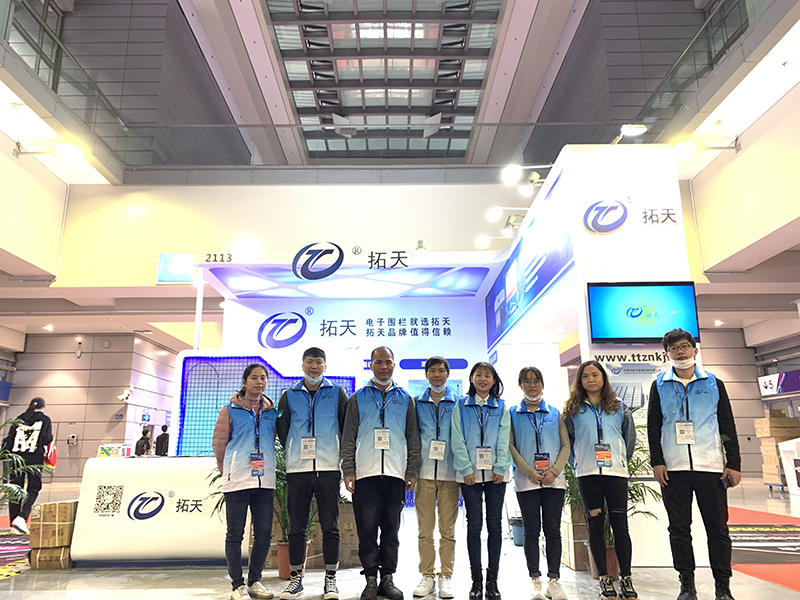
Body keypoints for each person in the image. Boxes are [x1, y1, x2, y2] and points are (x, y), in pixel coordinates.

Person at [647, 329, 740, 600]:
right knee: (679, 530)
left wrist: (733, 463)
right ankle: (687, 585)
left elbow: (726, 425)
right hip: (673, 470)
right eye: (674, 349)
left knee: (718, 529)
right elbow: (654, 426)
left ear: (695, 350)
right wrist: (657, 462)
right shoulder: (659, 385)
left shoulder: (714, 383)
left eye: (684, 347)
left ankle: (723, 586)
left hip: (710, 467)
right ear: (667, 354)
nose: (680, 352)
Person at [341, 346, 420, 600]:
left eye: (388, 362)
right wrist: (349, 470)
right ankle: (370, 580)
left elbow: (413, 437)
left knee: (391, 530)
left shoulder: (405, 398)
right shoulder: (358, 398)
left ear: (394, 365)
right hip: (365, 474)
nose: (383, 366)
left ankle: (388, 578)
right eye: (378, 362)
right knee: (366, 530)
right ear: (371, 365)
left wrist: (412, 470)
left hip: (396, 473)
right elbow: (348, 436)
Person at [276, 347, 349, 600]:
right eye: (310, 362)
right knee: (297, 526)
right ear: (302, 365)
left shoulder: (338, 393)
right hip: (298, 469)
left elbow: (345, 425)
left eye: (319, 362)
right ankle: (296, 579)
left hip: (328, 467)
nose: (314, 366)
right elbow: (282, 428)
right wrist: (295, 448)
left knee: (330, 525)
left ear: (325, 366)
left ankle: (331, 579)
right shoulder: (289, 395)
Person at [564, 361, 637, 600]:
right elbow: (568, 443)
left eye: (595, 375)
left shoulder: (619, 406)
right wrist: (578, 463)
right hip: (587, 474)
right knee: (595, 525)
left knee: (620, 526)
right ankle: (604, 578)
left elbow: (629, 439)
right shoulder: (572, 410)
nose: (590, 380)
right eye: (585, 376)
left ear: (603, 378)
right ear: (580, 381)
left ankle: (626, 578)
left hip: (616, 474)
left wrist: (620, 461)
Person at [212, 363, 277, 600]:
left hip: (264, 481)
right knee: (235, 534)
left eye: (263, 378)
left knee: (264, 534)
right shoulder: (229, 411)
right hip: (237, 480)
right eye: (254, 378)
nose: (259, 382)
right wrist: (228, 470)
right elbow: (219, 445)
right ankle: (237, 585)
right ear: (244, 381)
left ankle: (254, 581)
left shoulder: (271, 412)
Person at [451, 362, 512, 600]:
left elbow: (505, 438)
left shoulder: (502, 406)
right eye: (479, 375)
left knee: (495, 525)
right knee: (474, 525)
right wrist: (466, 468)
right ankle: (476, 582)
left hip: (497, 475)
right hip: (470, 475)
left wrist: (501, 466)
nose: (483, 379)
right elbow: (457, 438)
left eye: (488, 375)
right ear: (471, 378)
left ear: (494, 380)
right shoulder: (461, 405)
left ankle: (492, 582)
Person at [510, 367, 570, 600]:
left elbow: (565, 445)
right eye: (527, 381)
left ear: (542, 384)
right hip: (527, 481)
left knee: (553, 530)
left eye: (536, 381)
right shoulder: (513, 413)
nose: (532, 385)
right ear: (521, 385)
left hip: (554, 481)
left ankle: (554, 581)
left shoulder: (555, 413)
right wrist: (529, 471)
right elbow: (510, 446)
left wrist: (554, 471)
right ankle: (535, 581)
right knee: (531, 530)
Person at [413, 356, 460, 599]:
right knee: (425, 530)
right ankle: (427, 575)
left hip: (451, 474)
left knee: (447, 530)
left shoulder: (459, 402)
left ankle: (446, 576)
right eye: (432, 371)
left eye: (441, 370)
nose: (437, 375)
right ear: (426, 375)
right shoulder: (416, 403)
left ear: (448, 374)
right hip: (424, 474)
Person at [3, 397, 52, 534]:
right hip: (34, 458)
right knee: (34, 487)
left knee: (16, 489)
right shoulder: (45, 420)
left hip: (16, 458)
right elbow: (46, 438)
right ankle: (22, 516)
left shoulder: (19, 418)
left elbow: (10, 438)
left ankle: (14, 523)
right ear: (43, 407)